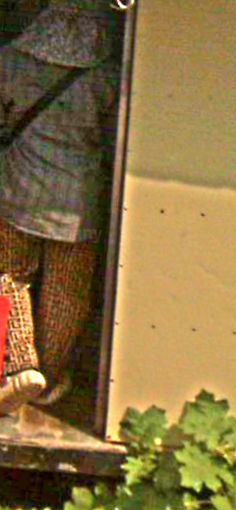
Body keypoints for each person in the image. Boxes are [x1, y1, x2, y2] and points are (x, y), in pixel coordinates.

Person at [0, 0, 119, 413]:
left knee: (8, 275)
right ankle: (49, 377)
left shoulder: (10, 60)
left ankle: (19, 364)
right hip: (78, 202)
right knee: (67, 293)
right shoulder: (108, 75)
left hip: (16, 191)